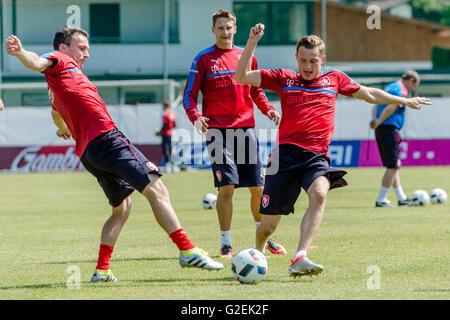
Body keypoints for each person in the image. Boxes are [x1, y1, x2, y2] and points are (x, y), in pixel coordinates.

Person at [5, 27, 223, 283]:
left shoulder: (61, 81)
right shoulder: (61, 60)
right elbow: (38, 61)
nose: (86, 54)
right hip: (108, 140)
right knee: (158, 188)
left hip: (89, 153)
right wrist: (20, 53)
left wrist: (62, 126)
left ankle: (102, 271)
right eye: (82, 47)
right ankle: (187, 250)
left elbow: (55, 110)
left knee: (122, 209)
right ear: (64, 48)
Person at [234, 24, 431, 277]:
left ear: (322, 60)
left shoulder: (335, 79)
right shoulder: (284, 78)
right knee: (268, 227)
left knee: (319, 193)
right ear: (296, 58)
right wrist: (251, 43)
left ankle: (300, 256)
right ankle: (257, 251)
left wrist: (403, 100)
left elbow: (369, 93)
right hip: (284, 157)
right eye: (303, 60)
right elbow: (241, 77)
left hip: (316, 157)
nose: (307, 66)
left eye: (313, 61)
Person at [183, 9, 286, 259]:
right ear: (213, 30)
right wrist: (196, 118)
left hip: (246, 129)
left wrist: (270, 109)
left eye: (229, 28)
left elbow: (256, 91)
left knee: (258, 188)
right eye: (221, 28)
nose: (225, 32)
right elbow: (189, 96)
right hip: (218, 131)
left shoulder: (246, 56)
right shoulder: (203, 59)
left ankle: (264, 237)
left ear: (235, 28)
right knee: (227, 188)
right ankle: (226, 242)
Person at [369, 70, 420, 207]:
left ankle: (401, 198)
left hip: (381, 129)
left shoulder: (390, 86)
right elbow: (391, 107)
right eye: (414, 86)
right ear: (411, 81)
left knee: (393, 166)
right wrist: (379, 121)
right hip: (389, 129)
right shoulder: (401, 90)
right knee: (392, 167)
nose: (412, 89)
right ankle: (381, 200)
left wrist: (375, 120)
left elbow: (375, 104)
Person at [156, 100, 176, 173]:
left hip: (165, 133)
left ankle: (168, 165)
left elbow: (165, 125)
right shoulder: (172, 113)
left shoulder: (165, 114)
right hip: (171, 132)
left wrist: (160, 132)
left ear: (164, 106)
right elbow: (174, 124)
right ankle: (173, 165)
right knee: (171, 149)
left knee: (165, 149)